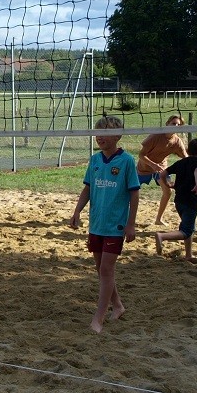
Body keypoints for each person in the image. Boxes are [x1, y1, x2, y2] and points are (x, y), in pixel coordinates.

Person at [70, 115, 141, 333]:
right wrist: (77, 211)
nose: (100, 136)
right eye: (98, 132)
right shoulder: (95, 160)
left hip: (115, 225)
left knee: (107, 269)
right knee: (101, 270)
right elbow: (88, 189)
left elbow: (134, 194)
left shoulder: (127, 161)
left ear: (118, 135)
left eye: (106, 133)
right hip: (96, 223)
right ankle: (117, 305)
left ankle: (98, 319)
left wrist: (131, 224)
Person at [155, 137, 197, 263]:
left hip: (179, 201)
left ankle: (189, 255)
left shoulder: (181, 162)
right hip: (191, 201)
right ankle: (162, 236)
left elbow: (162, 173)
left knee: (188, 227)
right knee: (186, 230)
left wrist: (167, 184)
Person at [137, 114, 189, 225]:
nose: (175, 126)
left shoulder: (177, 141)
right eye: (173, 123)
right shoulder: (155, 136)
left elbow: (186, 158)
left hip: (161, 168)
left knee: (168, 191)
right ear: (167, 124)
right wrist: (153, 165)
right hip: (144, 167)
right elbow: (141, 155)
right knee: (132, 191)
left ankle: (158, 219)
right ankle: (126, 218)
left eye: (178, 125)